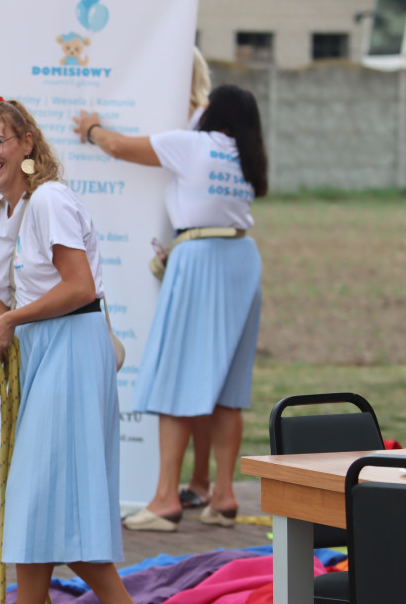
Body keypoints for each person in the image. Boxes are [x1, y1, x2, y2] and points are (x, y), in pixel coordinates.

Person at [72, 84, 268, 533]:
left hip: (199, 258)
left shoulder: (192, 144)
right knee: (228, 391)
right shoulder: (248, 155)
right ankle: (223, 494)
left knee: (174, 379)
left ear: (210, 113)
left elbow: (120, 147)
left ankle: (164, 500)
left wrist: (91, 128)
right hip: (242, 258)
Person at [0, 97, 135, 604]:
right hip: (37, 354)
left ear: (26, 143)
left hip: (74, 347)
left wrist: (11, 319)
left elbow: (80, 287)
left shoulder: (50, 201)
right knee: (34, 511)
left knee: (41, 505)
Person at [177, 46, 214, 511]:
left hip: (192, 250)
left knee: (197, 375)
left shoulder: (205, 120)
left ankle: (202, 478)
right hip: (163, 249)